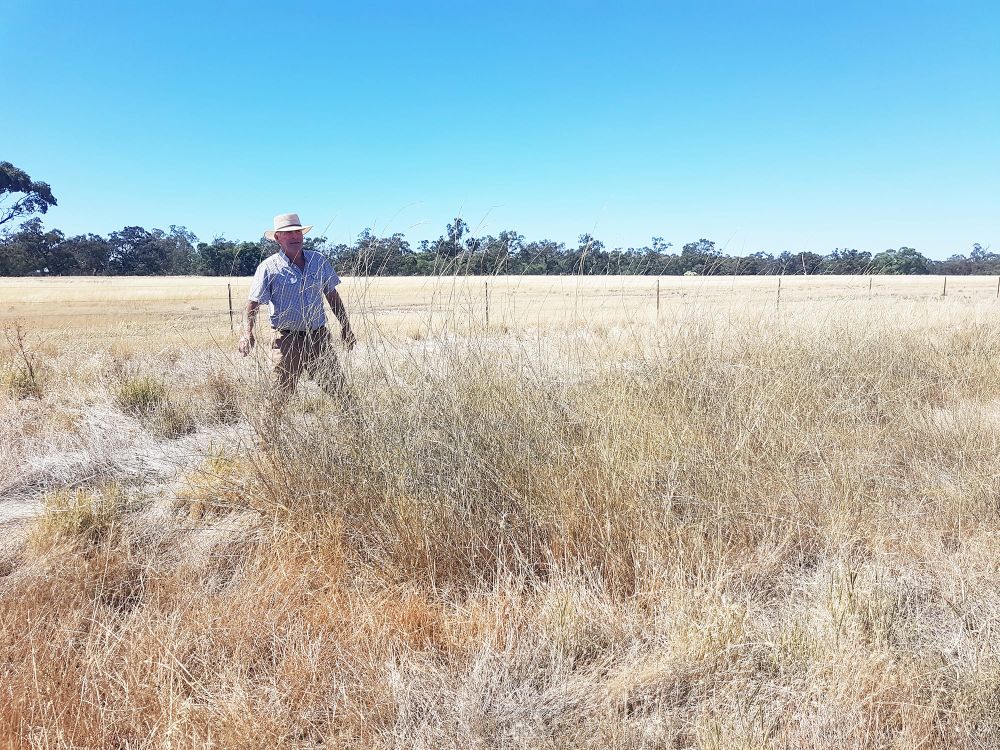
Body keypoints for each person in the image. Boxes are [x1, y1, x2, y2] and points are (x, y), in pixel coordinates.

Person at [238, 212, 357, 417]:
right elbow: (253, 302)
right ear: (277, 238)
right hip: (286, 340)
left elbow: (332, 295)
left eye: (297, 232)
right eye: (288, 233)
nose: (294, 236)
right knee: (278, 396)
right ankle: (267, 444)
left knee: (339, 390)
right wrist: (247, 333)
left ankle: (356, 430)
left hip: (318, 338)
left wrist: (346, 327)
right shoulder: (268, 267)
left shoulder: (318, 260)